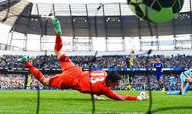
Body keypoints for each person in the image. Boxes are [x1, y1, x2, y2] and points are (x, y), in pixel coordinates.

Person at [18, 17, 148, 101]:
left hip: (75, 70)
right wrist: (138, 97)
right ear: (111, 81)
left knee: (57, 51)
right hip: (71, 79)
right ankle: (25, 62)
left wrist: (94, 95)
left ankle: (58, 33)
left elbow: (91, 81)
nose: (117, 86)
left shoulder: (102, 73)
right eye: (116, 83)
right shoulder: (104, 89)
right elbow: (120, 97)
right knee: (45, 81)